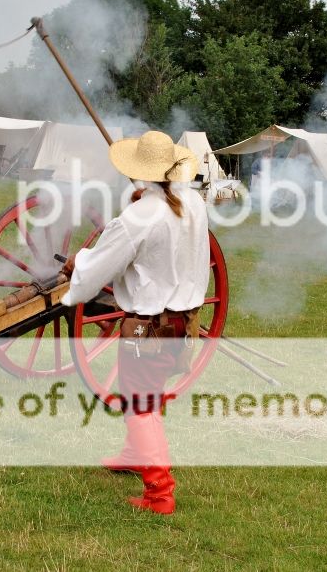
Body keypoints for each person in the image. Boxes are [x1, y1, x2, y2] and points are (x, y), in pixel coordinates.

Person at [61, 131, 208, 515]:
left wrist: (79, 264)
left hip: (148, 326)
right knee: (143, 393)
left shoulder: (140, 215)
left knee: (141, 402)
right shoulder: (192, 202)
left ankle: (159, 495)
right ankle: (133, 454)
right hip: (181, 322)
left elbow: (102, 265)